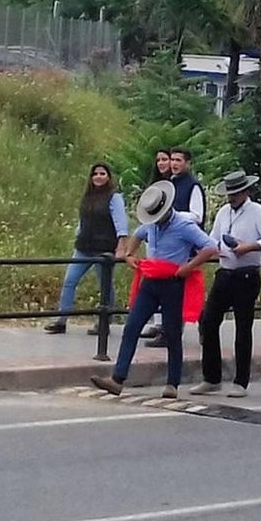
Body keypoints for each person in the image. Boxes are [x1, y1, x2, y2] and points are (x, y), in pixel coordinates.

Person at [89, 181, 217, 398]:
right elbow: (138, 235)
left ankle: (172, 383)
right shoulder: (151, 224)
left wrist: (188, 267)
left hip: (172, 281)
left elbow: (210, 247)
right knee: (132, 327)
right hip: (151, 280)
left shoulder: (184, 226)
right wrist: (130, 254)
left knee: (172, 332)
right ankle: (118, 378)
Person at [189, 171, 261, 398]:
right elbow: (213, 237)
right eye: (230, 194)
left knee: (243, 327)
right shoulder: (223, 213)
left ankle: (241, 381)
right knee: (208, 322)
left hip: (247, 273)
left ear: (245, 192)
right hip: (225, 270)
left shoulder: (258, 212)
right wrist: (208, 249)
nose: (231, 198)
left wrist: (249, 247)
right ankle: (211, 377)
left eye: (236, 193)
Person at [46, 163, 129, 335]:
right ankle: (61, 320)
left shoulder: (114, 198)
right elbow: (83, 220)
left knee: (105, 285)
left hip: (104, 249)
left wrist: (121, 246)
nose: (98, 177)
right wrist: (78, 234)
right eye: (95, 174)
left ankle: (105, 321)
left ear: (108, 177)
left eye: (102, 173)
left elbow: (121, 223)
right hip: (84, 246)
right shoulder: (88, 197)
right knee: (70, 281)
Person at [144, 147, 207, 347]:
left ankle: (185, 330)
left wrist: (175, 216)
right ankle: (168, 330)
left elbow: (197, 215)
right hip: (169, 244)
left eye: (179, 160)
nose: (174, 164)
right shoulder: (169, 184)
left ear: (187, 163)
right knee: (172, 291)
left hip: (186, 243)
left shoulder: (193, 185)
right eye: (172, 160)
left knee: (183, 290)